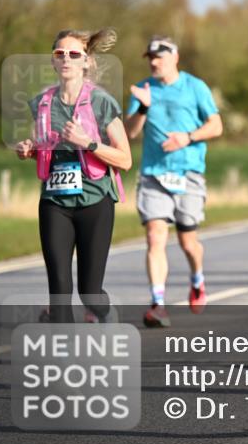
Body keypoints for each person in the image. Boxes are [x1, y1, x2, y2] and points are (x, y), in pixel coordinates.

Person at [16, 29, 132, 323]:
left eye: (74, 54)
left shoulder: (101, 103)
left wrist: (89, 143)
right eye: (59, 54)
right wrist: (29, 149)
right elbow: (41, 145)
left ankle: (105, 313)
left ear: (86, 62)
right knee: (59, 290)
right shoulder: (42, 103)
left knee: (89, 291)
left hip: (95, 201)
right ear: (53, 62)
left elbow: (125, 159)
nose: (66, 58)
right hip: (55, 202)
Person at [125, 36, 223, 328]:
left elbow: (216, 125)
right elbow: (129, 133)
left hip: (188, 173)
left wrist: (187, 137)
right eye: (150, 58)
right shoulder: (143, 89)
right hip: (153, 173)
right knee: (156, 236)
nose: (154, 62)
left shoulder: (195, 87)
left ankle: (197, 278)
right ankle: (158, 304)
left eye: (160, 56)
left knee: (188, 242)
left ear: (175, 57)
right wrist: (142, 109)